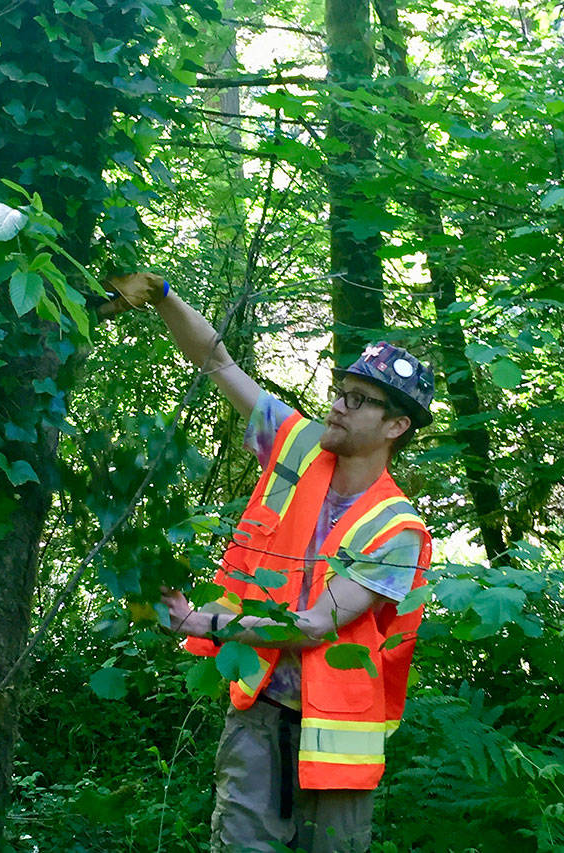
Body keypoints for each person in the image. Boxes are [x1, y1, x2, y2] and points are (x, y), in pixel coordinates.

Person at [102, 272, 434, 853]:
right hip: (258, 715)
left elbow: (311, 627)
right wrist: (164, 295)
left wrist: (200, 622)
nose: (338, 406)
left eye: (358, 399)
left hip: (339, 739)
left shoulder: (398, 530)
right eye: (340, 391)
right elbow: (219, 364)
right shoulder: (299, 445)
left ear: (396, 425)